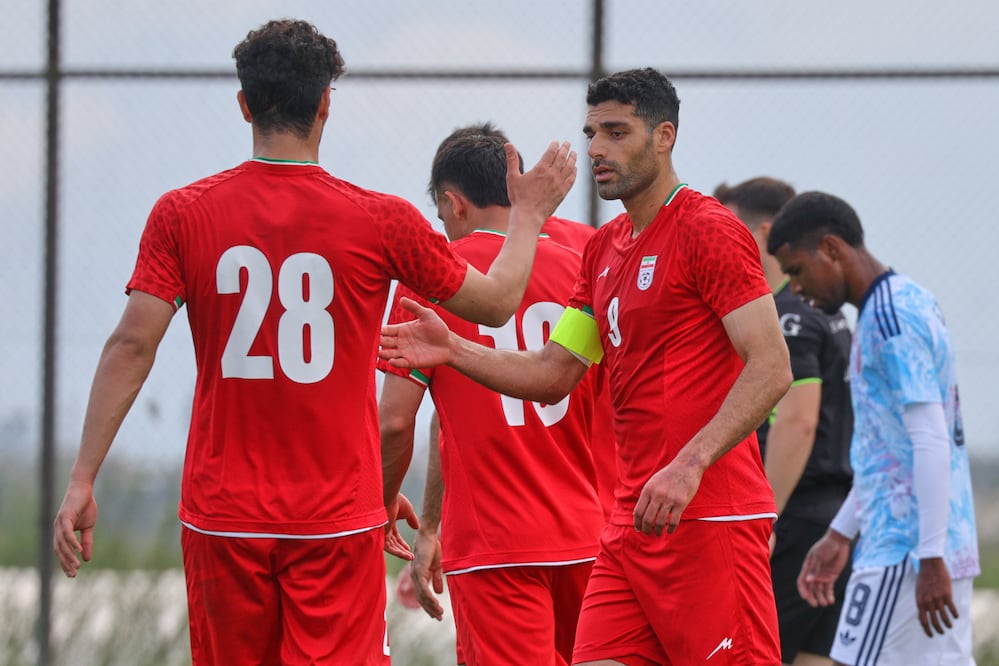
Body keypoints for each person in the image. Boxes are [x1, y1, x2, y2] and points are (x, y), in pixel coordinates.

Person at [51, 19, 576, 665]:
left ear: (244, 104)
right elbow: (496, 302)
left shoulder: (181, 213)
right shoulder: (379, 218)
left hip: (222, 512)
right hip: (335, 514)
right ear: (326, 102)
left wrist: (83, 477)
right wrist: (526, 217)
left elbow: (131, 345)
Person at [379, 68, 792, 665]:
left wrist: (689, 464)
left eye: (617, 132)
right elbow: (554, 372)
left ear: (664, 138)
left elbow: (771, 366)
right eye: (591, 132)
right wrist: (453, 349)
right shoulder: (602, 250)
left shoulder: (709, 229)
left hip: (708, 515)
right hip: (627, 526)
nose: (597, 148)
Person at [379, 124, 610, 665]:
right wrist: (433, 522)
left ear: (450, 203)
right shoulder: (585, 262)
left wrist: (387, 509)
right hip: (593, 535)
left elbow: (397, 420)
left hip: (496, 545)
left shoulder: (433, 276)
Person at [767, 191, 980, 666]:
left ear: (832, 248)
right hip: (933, 548)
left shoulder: (888, 319)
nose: (795, 288)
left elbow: (929, 439)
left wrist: (928, 557)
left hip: (903, 556)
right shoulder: (907, 300)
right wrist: (841, 534)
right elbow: (892, 454)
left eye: (798, 270)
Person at [715, 178, 854, 666]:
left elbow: (798, 423)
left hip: (795, 517)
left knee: (756, 652)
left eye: (730, 228)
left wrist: (765, 518)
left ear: (764, 232)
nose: (716, 242)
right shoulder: (826, 314)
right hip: (834, 517)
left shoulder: (788, 318)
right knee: (812, 656)